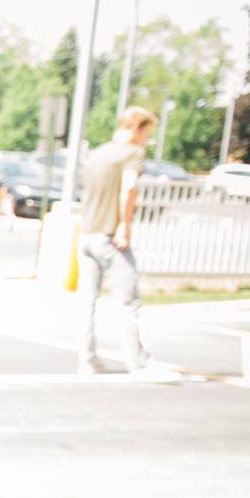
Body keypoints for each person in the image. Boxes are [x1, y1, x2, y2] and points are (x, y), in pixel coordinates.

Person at [78, 106, 163, 376]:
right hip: (110, 235)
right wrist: (124, 226)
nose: (146, 140)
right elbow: (129, 189)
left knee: (88, 302)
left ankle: (87, 360)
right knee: (128, 302)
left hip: (87, 233)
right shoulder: (131, 154)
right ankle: (137, 361)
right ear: (137, 127)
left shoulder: (99, 153)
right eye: (147, 134)